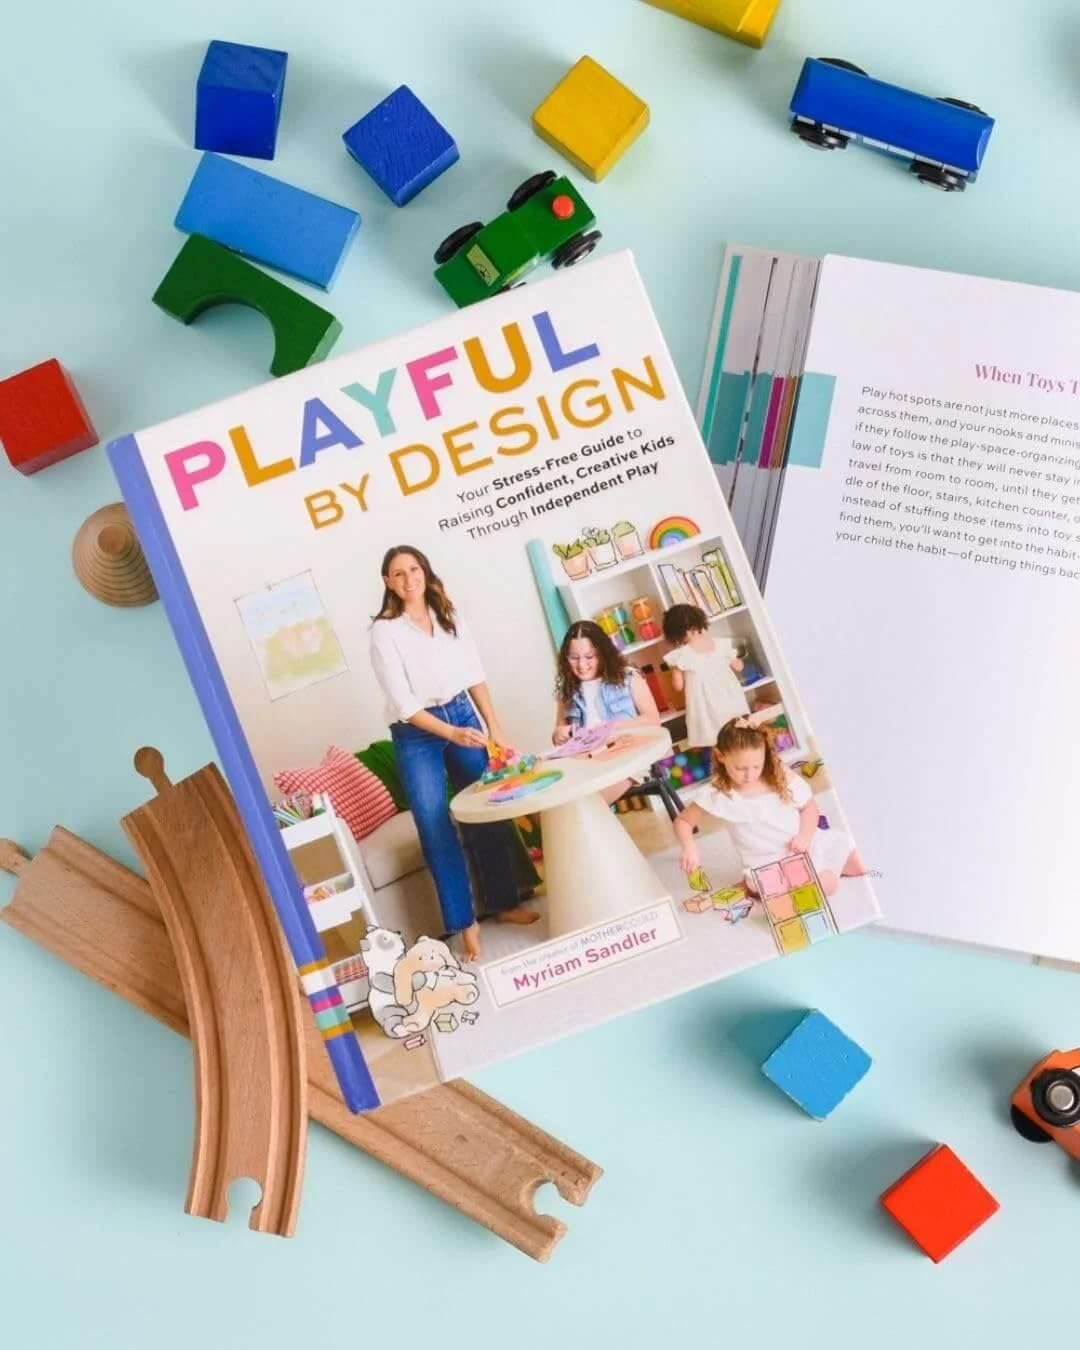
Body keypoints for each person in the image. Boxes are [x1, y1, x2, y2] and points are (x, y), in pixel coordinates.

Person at [369, 545, 538, 962]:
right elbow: (405, 704)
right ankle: (466, 925)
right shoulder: (384, 632)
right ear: (388, 582)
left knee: (483, 809)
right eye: (398, 573)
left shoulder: (448, 614)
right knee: (434, 824)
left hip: (461, 710)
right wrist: (451, 733)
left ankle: (504, 901)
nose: (408, 579)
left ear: (425, 572)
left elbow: (473, 673)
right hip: (416, 732)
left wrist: (493, 728)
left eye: (414, 569)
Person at [673, 716, 865, 897]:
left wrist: (804, 837)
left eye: (756, 766)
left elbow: (810, 808)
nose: (749, 775)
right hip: (765, 866)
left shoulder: (780, 775)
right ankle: (765, 888)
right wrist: (689, 846)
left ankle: (814, 875)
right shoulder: (717, 792)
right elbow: (683, 821)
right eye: (740, 768)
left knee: (859, 864)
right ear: (720, 756)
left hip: (802, 847)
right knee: (827, 883)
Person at [552, 619, 661, 803]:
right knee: (560, 799)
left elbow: (653, 719)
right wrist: (559, 734)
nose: (581, 664)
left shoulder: (627, 677)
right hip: (589, 763)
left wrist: (614, 726)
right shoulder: (568, 690)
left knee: (587, 804)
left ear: (602, 653)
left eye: (589, 656)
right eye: (574, 657)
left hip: (629, 758)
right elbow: (560, 735)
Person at [661, 603, 747, 750]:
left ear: (677, 633)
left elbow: (678, 686)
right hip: (730, 700)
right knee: (738, 735)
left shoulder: (681, 655)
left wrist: (675, 669)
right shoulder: (720, 644)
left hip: (705, 707)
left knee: (717, 741)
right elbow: (739, 666)